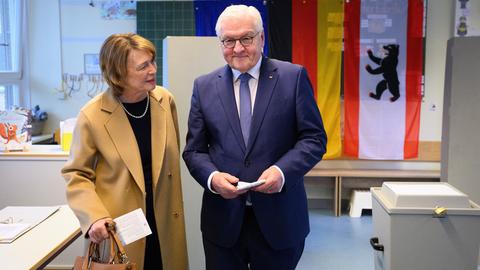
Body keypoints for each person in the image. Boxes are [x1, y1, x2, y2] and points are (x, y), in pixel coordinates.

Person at [183, 5, 327, 270]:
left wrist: (282, 172)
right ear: (220, 43)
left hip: (279, 220)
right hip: (223, 224)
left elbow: (314, 139)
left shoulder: (292, 77)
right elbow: (194, 151)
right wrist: (213, 179)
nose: (237, 48)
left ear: (261, 38)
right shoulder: (203, 86)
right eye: (228, 41)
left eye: (246, 38)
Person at [62, 33, 188, 270]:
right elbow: (76, 175)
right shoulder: (92, 115)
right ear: (118, 74)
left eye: (152, 61)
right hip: (121, 226)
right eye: (143, 66)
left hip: (165, 219)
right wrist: (94, 216)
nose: (153, 70)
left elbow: (170, 159)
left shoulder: (165, 100)